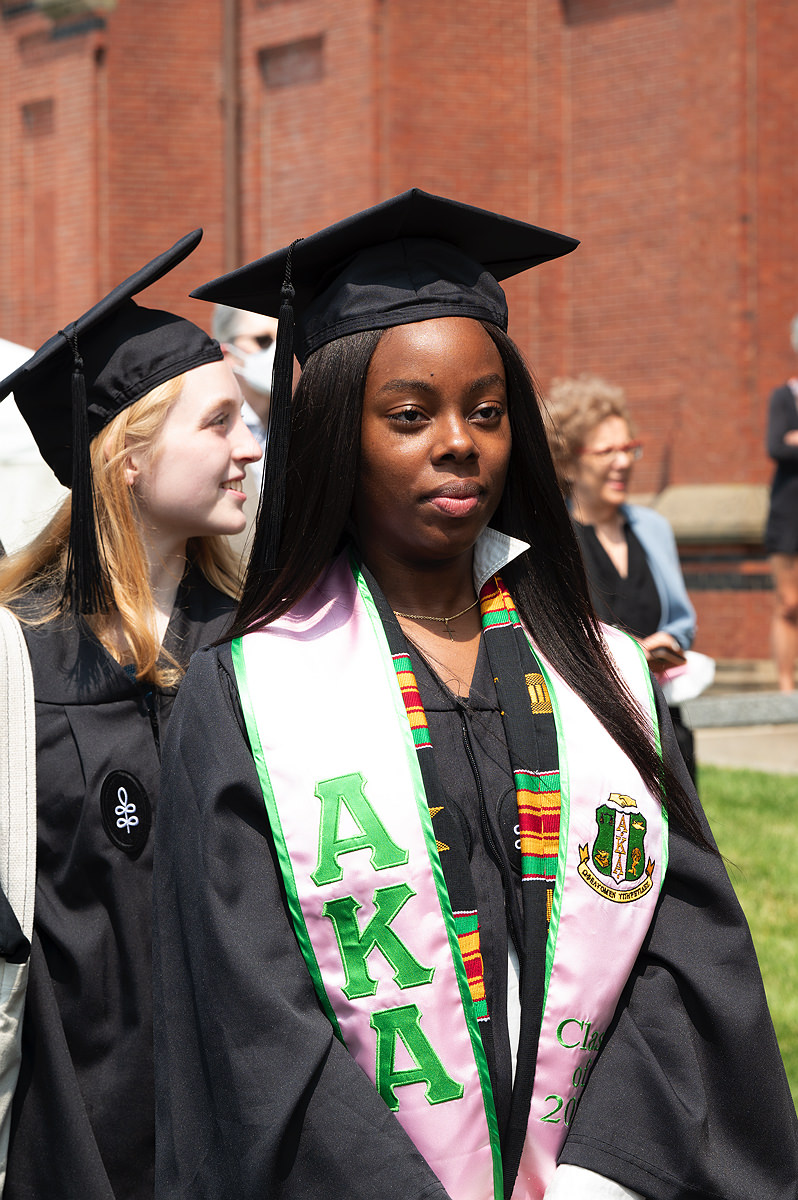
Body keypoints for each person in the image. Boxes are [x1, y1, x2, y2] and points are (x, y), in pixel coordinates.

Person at [153, 191, 797, 1200]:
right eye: (409, 416)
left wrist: (602, 1173)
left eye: (486, 411)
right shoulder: (246, 698)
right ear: (333, 434)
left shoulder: (603, 677)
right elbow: (249, 1018)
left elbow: (679, 954)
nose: (458, 441)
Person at [0, 230, 261, 1199]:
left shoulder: (261, 642)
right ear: (129, 461)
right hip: (66, 1124)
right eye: (220, 422)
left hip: (245, 1106)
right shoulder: (17, 661)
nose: (250, 445)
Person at [543, 374, 698, 778]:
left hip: (665, 725)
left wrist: (673, 642)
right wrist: (628, 657)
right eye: (607, 450)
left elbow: (681, 622)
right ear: (568, 462)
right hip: (595, 731)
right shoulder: (549, 539)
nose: (624, 461)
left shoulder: (653, 528)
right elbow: (550, 636)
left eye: (629, 448)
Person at [764, 315, 798, 692]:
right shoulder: (785, 396)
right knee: (789, 602)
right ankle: (787, 689)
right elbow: (776, 445)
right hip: (789, 516)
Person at [212, 303, 279, 463]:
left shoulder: (306, 423)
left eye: (290, 339)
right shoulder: (209, 431)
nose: (280, 351)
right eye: (263, 341)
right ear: (226, 352)